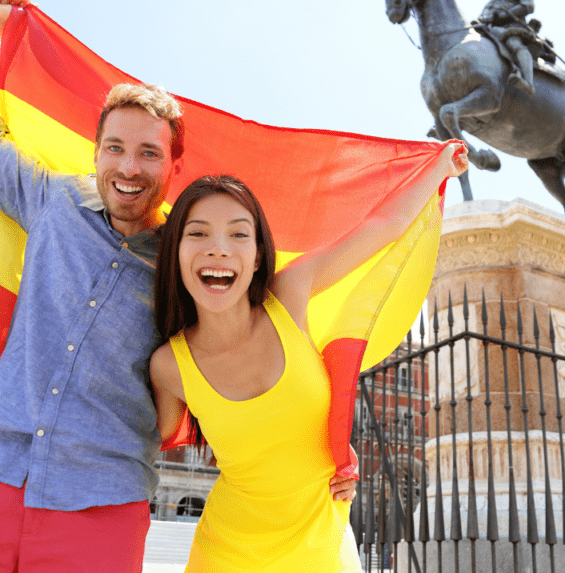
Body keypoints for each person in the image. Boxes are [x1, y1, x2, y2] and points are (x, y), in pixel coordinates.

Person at [0, 0, 184, 572]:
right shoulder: (55, 201)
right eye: (115, 148)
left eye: (149, 154)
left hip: (102, 501)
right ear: (97, 151)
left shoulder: (188, 262)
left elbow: (269, 325)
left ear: (173, 163)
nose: (130, 168)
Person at [149, 143, 467, 572]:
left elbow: (383, 226)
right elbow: (143, 443)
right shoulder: (168, 366)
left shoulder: (290, 294)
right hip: (224, 554)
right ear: (177, 252)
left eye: (239, 233)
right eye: (198, 233)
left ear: (259, 253)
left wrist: (441, 167)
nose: (219, 248)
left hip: (322, 549)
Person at [477, 0, 537, 95]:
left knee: (513, 43)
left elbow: (528, 6)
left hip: (512, 28)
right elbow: (482, 17)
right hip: (489, 31)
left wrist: (500, 16)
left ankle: (528, 83)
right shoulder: (491, 2)